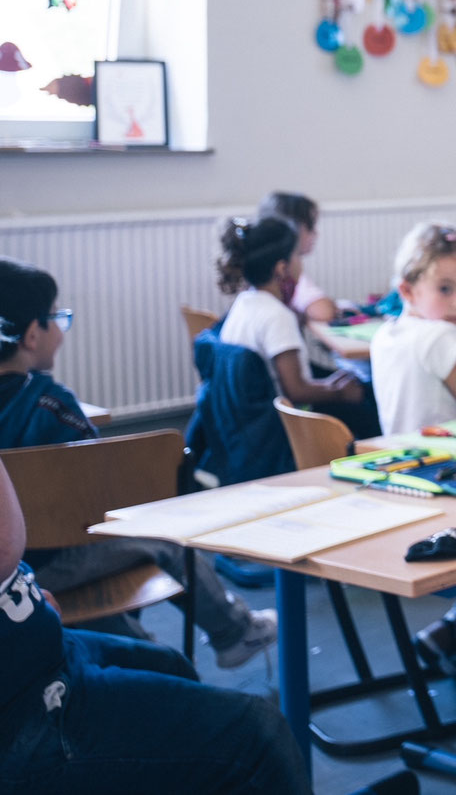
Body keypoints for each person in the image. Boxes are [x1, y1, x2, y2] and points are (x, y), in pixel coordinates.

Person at [0, 259, 275, 669]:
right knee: (163, 536)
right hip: (57, 561)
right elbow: (99, 494)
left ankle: (157, 666)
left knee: (124, 639)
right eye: (57, 317)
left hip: (12, 578)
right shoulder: (51, 403)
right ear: (32, 334)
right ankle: (233, 631)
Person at [0, 458, 310, 795]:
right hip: (25, 705)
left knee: (170, 664)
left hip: (39, 636)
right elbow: (6, 545)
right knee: (259, 734)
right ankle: (233, 631)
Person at [217, 216, 374, 436]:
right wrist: (339, 392)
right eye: (298, 256)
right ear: (282, 268)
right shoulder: (277, 316)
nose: (301, 263)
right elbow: (296, 390)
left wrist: (330, 383)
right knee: (367, 402)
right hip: (285, 426)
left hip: (248, 422)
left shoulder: (245, 302)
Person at [368, 223, 456, 436]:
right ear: (407, 290)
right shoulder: (438, 336)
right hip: (447, 459)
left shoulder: (384, 334)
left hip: (403, 456)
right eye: (445, 289)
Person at [257, 191, 335, 324]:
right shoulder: (285, 271)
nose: (315, 233)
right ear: (293, 229)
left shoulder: (260, 266)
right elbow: (322, 311)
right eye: (310, 226)